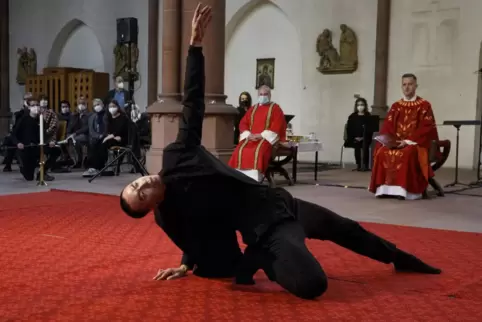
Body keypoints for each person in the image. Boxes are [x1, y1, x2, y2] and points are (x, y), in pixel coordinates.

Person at [119, 5, 441, 300]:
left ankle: (400, 258)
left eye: (137, 185)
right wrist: (187, 266)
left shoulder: (178, 155)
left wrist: (195, 48)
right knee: (313, 285)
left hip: (281, 202)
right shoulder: (168, 214)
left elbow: (192, 104)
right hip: (267, 231)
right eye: (142, 196)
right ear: (150, 208)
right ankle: (260, 260)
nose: (144, 186)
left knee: (347, 229)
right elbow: (193, 238)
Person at [369, 74, 439, 200]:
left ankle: (404, 191)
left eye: (410, 84)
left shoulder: (424, 105)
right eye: (404, 84)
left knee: (407, 154)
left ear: (416, 86)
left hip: (415, 144)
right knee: (382, 152)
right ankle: (384, 190)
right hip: (396, 143)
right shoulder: (396, 106)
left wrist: (407, 141)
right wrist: (389, 142)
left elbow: (426, 127)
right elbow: (388, 127)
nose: (407, 88)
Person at [228, 85, 286, 182]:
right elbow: (243, 123)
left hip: (265, 139)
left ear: (270, 95)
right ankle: (239, 177)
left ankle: (255, 179)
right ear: (258, 95)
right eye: (261, 94)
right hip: (251, 138)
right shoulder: (253, 108)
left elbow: (277, 125)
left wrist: (261, 135)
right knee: (239, 150)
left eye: (265, 94)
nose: (263, 96)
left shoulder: (275, 108)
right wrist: (248, 134)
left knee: (258, 151)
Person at [10, 96, 60, 181]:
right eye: (33, 105)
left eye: (37, 105)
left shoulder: (41, 120)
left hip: (37, 146)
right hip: (25, 148)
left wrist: (51, 141)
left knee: (56, 150)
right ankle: (22, 165)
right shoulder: (23, 120)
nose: (36, 107)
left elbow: (45, 134)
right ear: (29, 107)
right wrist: (18, 143)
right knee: (29, 177)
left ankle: (42, 172)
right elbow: (13, 135)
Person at [344, 97, 372, 171]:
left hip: (365, 138)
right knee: (357, 145)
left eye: (362, 105)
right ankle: (358, 165)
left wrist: (363, 137)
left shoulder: (368, 116)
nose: (360, 107)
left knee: (365, 145)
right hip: (354, 138)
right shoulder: (352, 116)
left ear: (365, 106)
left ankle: (365, 165)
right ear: (356, 106)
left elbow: (371, 129)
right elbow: (349, 129)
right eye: (358, 105)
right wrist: (355, 137)